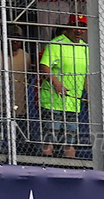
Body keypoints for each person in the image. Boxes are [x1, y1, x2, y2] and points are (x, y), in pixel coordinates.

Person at [38, 15, 89, 158]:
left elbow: (86, 75)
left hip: (73, 102)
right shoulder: (57, 43)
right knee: (50, 139)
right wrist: (57, 84)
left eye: (82, 27)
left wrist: (89, 95)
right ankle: (46, 166)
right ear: (68, 26)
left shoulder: (85, 48)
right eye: (75, 26)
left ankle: (70, 169)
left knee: (70, 141)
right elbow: (44, 66)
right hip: (53, 101)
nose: (78, 30)